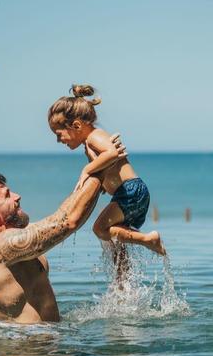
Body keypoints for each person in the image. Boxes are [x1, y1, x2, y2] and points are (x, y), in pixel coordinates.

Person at [0, 133, 124, 323]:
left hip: (42, 345)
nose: (17, 196)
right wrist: (103, 165)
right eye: (7, 195)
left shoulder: (11, 242)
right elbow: (67, 221)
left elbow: (65, 215)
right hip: (28, 348)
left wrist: (98, 168)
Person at [47, 84, 165, 257]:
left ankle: (149, 240)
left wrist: (86, 169)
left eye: (59, 134)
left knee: (100, 229)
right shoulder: (90, 143)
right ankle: (122, 282)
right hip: (128, 192)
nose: (58, 140)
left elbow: (112, 152)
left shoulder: (94, 137)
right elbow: (106, 165)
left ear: (76, 125)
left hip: (131, 191)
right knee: (116, 245)